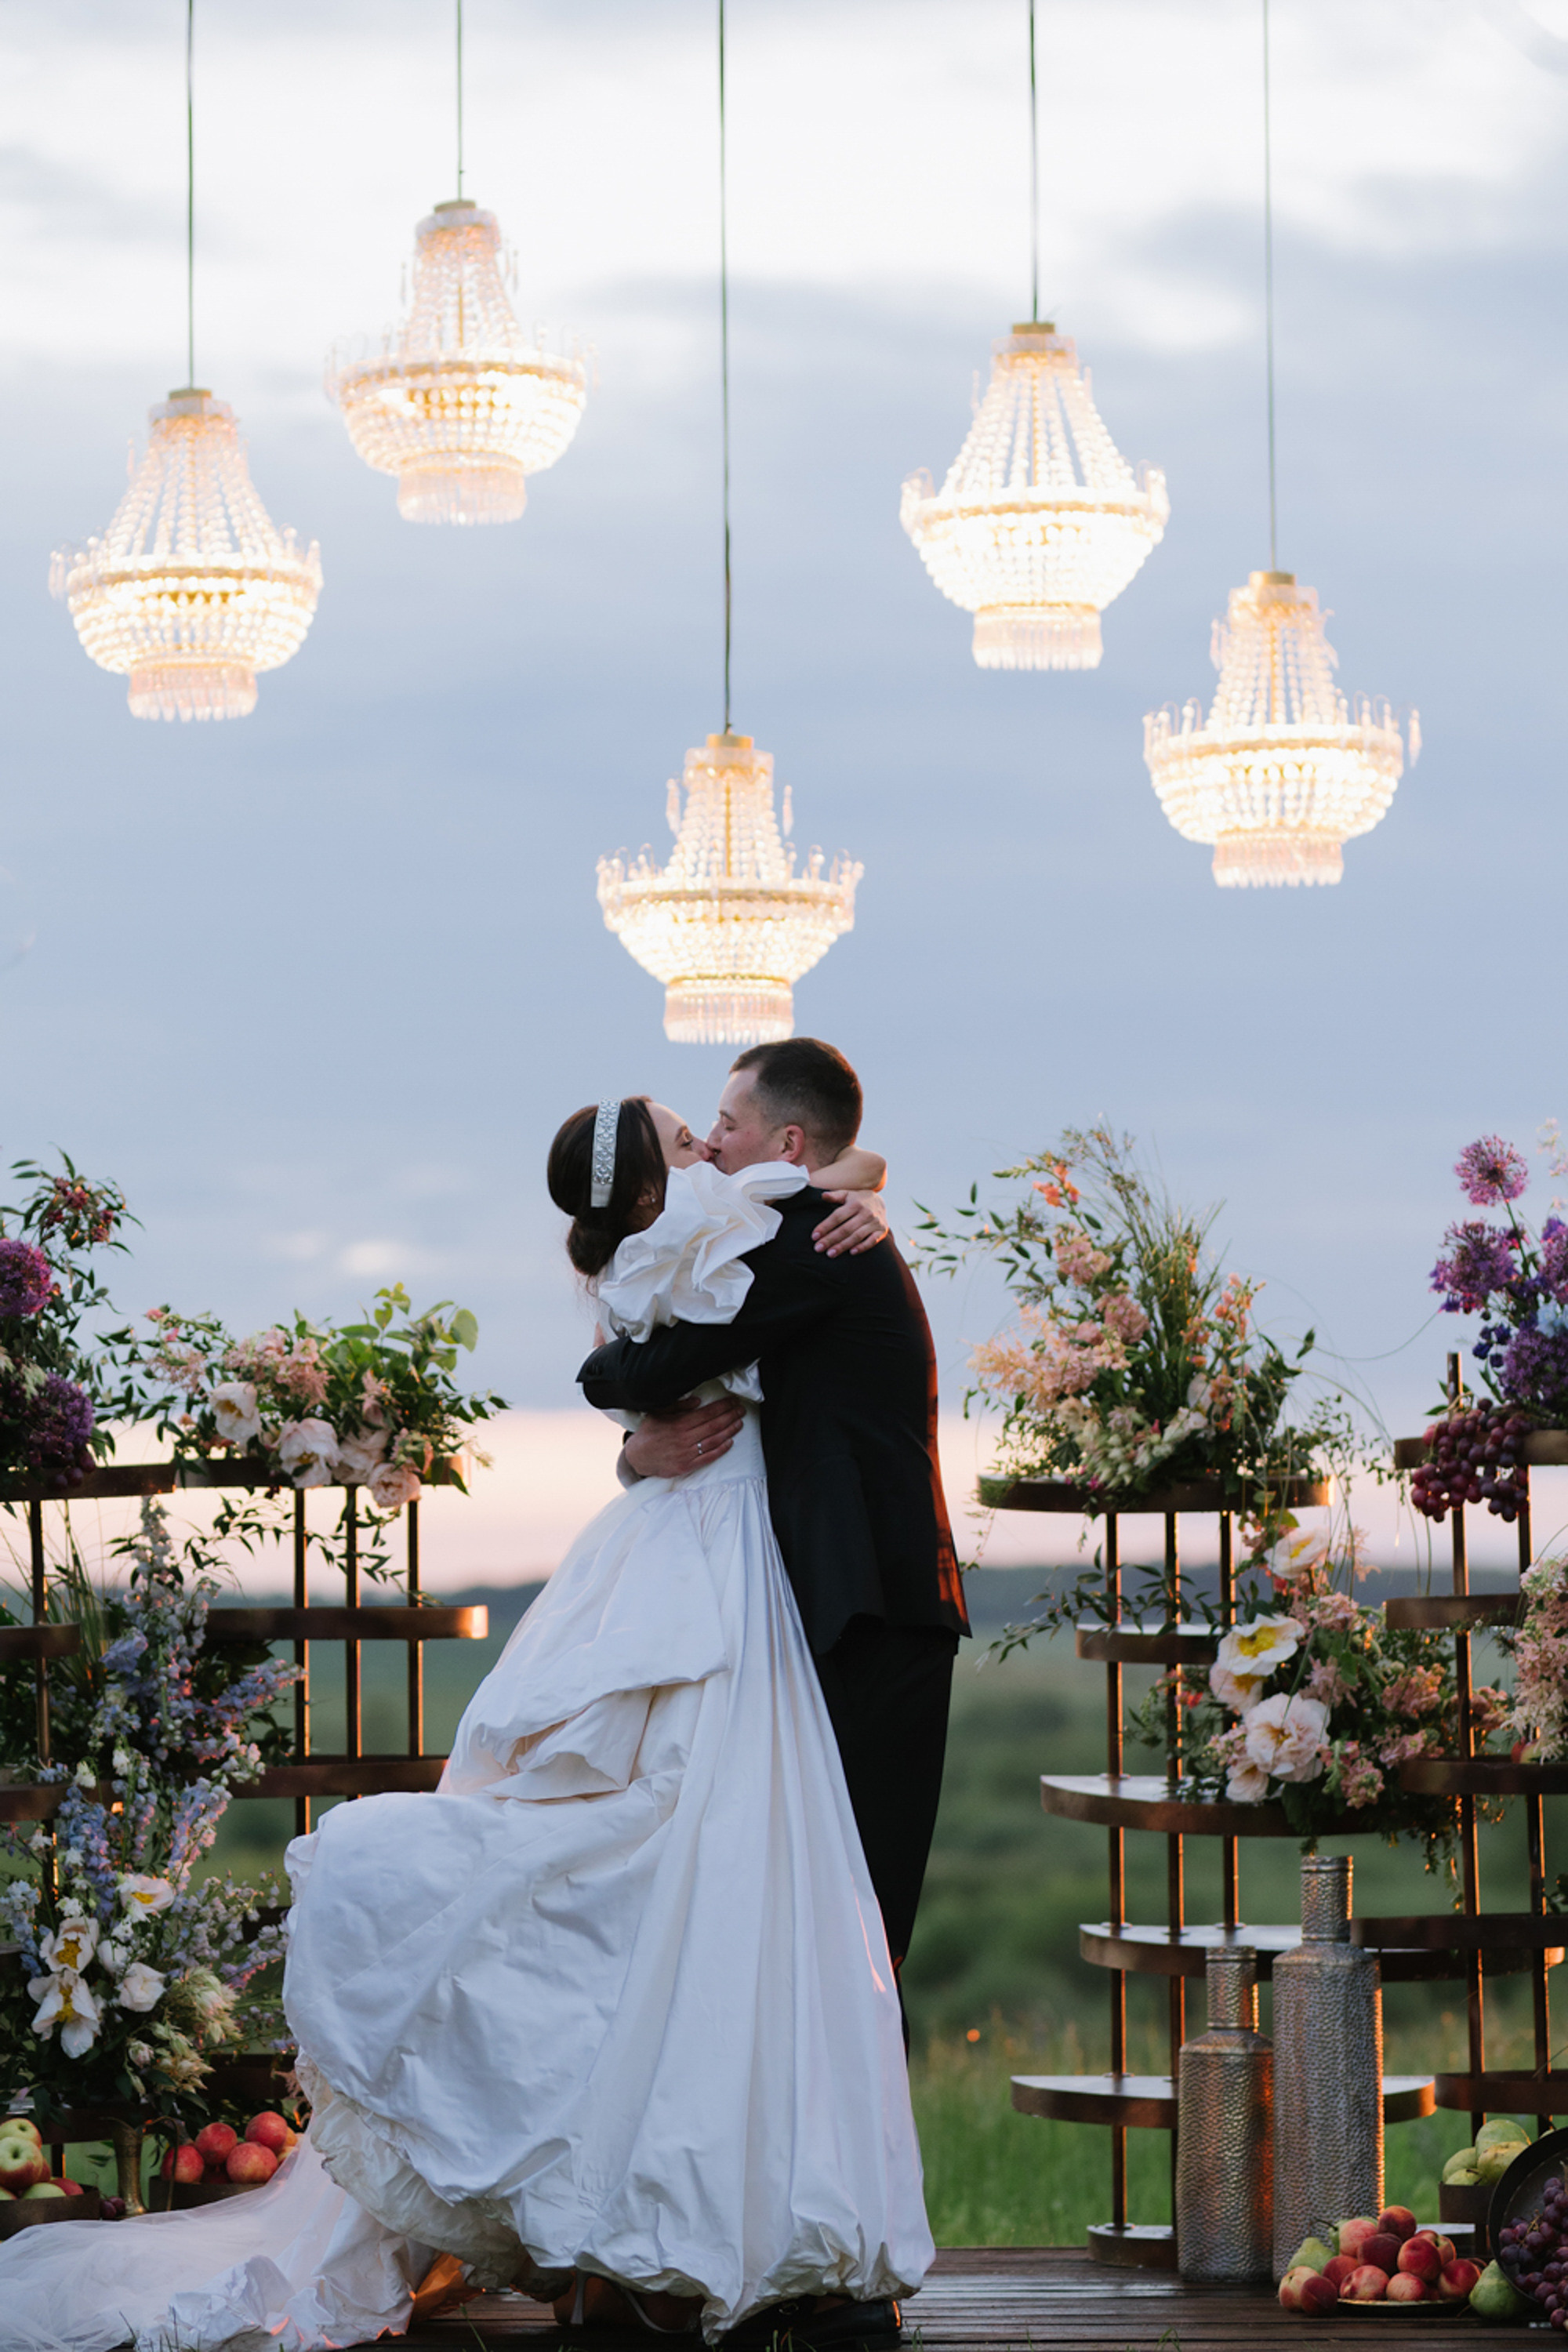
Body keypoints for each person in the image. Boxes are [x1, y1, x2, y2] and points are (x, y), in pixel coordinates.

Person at [0, 1094, 931, 2351]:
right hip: (704, 1560)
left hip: (720, 1558)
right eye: (684, 1132)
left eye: (713, 1122)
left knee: (718, 1871)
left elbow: (767, 1218)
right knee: (678, 1852)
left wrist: (862, 1194)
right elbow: (653, 1348)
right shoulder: (701, 1236)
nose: (709, 1140)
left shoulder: (712, 1221)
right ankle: (667, 2224)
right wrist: (638, 1418)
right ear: (655, 1188)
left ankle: (684, 2219)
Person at [579, 1041, 968, 2001]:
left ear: (786, 1143)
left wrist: (595, 1372)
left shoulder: (812, 1240)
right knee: (815, 1907)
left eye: (726, 1125)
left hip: (873, 1606)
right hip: (835, 1603)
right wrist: (634, 1454)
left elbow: (655, 1370)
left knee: (860, 1915)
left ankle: (864, 2139)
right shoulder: (794, 1227)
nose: (709, 1146)